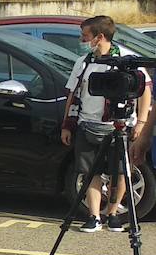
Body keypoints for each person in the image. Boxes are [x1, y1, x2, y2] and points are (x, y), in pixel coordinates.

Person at [61, 15, 152, 232]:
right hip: (87, 125)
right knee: (89, 172)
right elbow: (73, 94)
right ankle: (94, 216)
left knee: (120, 172)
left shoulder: (127, 60)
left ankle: (112, 214)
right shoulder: (84, 62)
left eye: (85, 36)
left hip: (119, 125)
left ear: (99, 37)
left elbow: (145, 90)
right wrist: (67, 124)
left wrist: (141, 123)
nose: (82, 40)